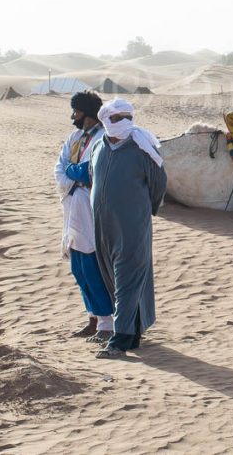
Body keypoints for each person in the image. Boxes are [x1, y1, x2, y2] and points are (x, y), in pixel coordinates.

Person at [90, 98, 167, 359]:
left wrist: (144, 211)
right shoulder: (99, 146)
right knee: (112, 276)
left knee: (128, 277)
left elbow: (159, 183)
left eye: (127, 117)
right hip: (102, 225)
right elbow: (94, 177)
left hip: (132, 225)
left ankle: (119, 340)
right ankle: (132, 331)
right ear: (105, 119)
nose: (123, 123)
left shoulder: (142, 148)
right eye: (116, 118)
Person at [54, 90, 114, 342]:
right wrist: (71, 173)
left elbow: (89, 172)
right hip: (72, 206)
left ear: (88, 114)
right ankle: (92, 318)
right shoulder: (75, 137)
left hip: (91, 209)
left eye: (76, 112)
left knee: (92, 267)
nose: (73, 117)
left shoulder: (104, 138)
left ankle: (106, 325)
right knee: (78, 267)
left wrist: (73, 172)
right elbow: (60, 167)